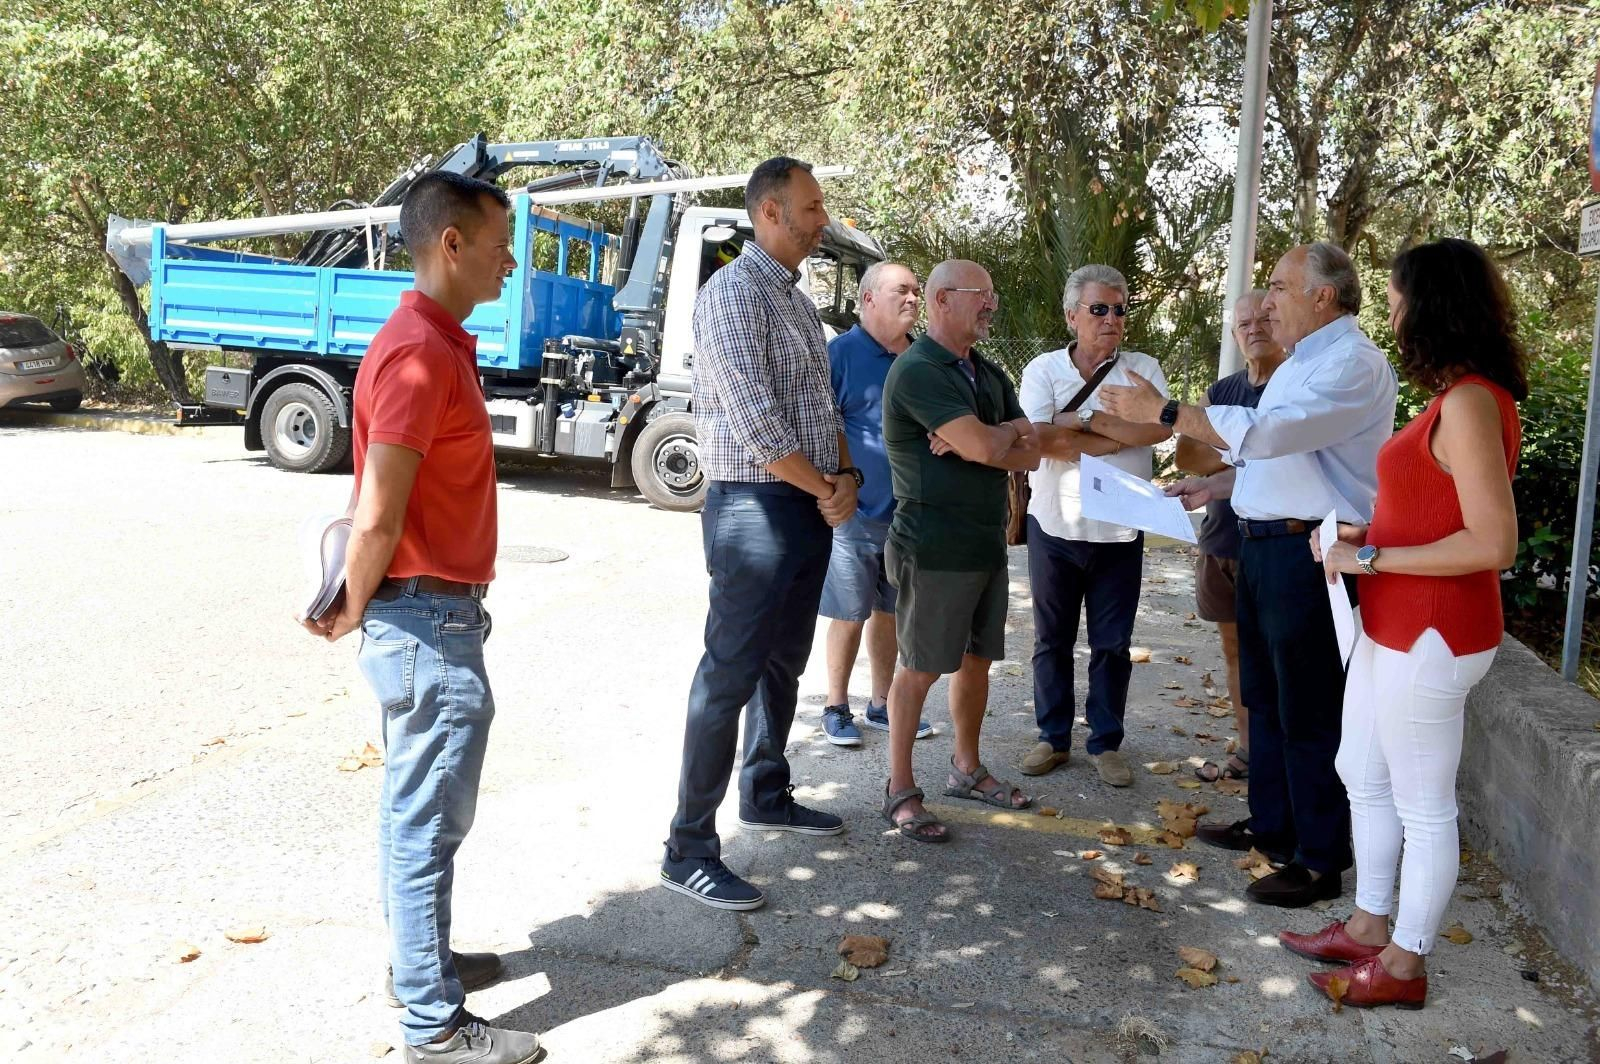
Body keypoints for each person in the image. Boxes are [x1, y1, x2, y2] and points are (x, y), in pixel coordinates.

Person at [303, 171, 541, 1064]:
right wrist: (350, 606)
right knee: (425, 822)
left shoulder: (433, 343)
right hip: (426, 620)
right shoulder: (418, 354)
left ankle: (421, 967)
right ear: (451, 244)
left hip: (434, 617)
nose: (510, 262)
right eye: (500, 245)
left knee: (425, 814)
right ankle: (433, 1027)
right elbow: (375, 511)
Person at [1101, 242, 1397, 908]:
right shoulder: (1304, 361)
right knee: (1264, 700)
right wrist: (1217, 487)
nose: (1268, 300)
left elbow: (1271, 435)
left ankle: (1318, 860)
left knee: (1309, 710)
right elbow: (1275, 460)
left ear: (1324, 295)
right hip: (1266, 547)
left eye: (1280, 287)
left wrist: (1168, 412)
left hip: (1310, 554)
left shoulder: (1352, 363)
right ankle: (1272, 825)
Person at [1280, 238, 1525, 1009]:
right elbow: (1436, 511)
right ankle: (1367, 925)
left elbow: (1493, 542)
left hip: (1433, 632)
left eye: (1394, 302)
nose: (1389, 316)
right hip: (1394, 623)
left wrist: (1372, 557)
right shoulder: (1458, 397)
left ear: (1432, 306)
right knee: (1361, 770)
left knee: (1424, 805)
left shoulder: (1471, 402)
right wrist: (1368, 537)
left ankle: (1404, 964)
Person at [661, 157, 858, 912]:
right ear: (769, 212)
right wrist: (828, 488)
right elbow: (755, 421)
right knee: (730, 674)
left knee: (782, 664)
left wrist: (845, 476)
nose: (822, 220)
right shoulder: (732, 294)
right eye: (812, 207)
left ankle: (766, 793)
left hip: (804, 502)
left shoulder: (795, 301)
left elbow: (823, 411)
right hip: (754, 506)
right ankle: (687, 849)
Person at [878, 259, 1041, 843]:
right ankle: (900, 789)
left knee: (977, 661)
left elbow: (1032, 452)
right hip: (933, 546)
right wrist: (991, 439)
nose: (992, 304)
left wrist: (990, 439)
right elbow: (990, 446)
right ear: (942, 299)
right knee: (919, 668)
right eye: (982, 294)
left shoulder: (987, 372)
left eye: (992, 294)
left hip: (983, 544)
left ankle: (965, 770)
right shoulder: (919, 370)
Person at [1016, 265, 1173, 787]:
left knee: (1112, 644)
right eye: (1099, 309)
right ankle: (1053, 737)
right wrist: (1118, 433)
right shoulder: (1043, 369)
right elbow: (1039, 439)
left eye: (1120, 309)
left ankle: (1106, 742)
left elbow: (1159, 429)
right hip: (1054, 526)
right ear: (1072, 316)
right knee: (1051, 640)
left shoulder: (1142, 368)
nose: (1112, 319)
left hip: (1122, 529)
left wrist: (1082, 424)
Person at [817, 262, 936, 746]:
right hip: (855, 513)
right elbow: (823, 426)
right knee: (849, 613)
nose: (913, 299)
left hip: (909, 515)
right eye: (900, 291)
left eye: (916, 291)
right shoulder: (840, 354)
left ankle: (882, 704)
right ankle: (835, 706)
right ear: (868, 299)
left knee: (890, 613)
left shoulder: (923, 357)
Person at [1172, 290, 1287, 783]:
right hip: (1222, 540)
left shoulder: (1295, 385)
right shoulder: (1222, 391)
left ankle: (1283, 756)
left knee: (1281, 656)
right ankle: (1248, 749)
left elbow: (1290, 458)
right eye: (1244, 323)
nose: (1254, 328)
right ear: (1235, 333)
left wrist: (1225, 448)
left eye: (1264, 318)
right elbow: (1187, 456)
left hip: (1278, 545)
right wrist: (1249, 449)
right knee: (1236, 652)